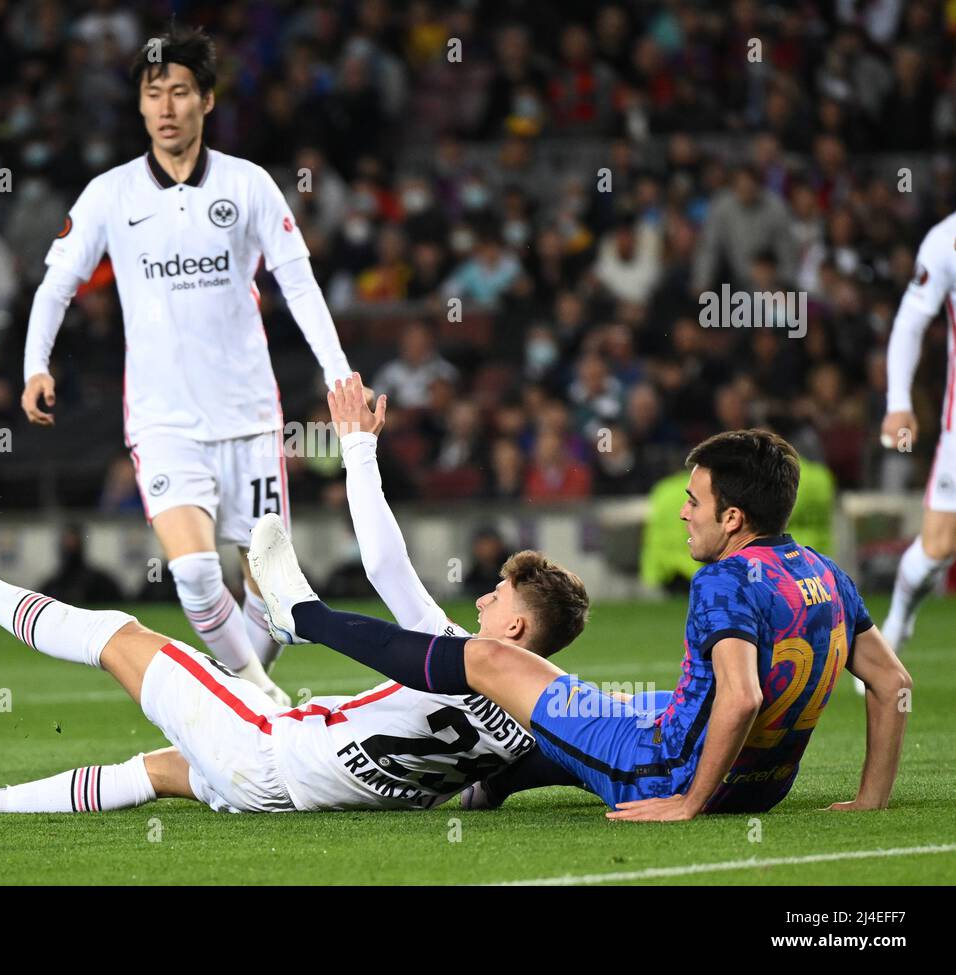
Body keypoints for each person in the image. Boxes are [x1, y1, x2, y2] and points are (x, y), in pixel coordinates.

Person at [252, 430, 912, 820]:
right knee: (615, 706)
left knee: (489, 661)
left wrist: (687, 804)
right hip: (764, 786)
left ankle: (304, 616)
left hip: (670, 775)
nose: (683, 512)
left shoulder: (723, 579)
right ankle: (498, 780)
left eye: (694, 499)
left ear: (733, 517)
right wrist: (870, 800)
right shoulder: (826, 571)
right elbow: (892, 681)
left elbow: (741, 696)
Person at [19, 24, 358, 706]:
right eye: (154, 93)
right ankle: (262, 700)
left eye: (180, 91)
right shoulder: (111, 195)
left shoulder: (249, 184)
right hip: (164, 421)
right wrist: (35, 365)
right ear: (140, 107)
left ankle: (249, 698)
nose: (167, 106)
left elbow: (297, 281)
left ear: (207, 99)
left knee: (275, 601)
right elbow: (56, 283)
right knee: (197, 577)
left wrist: (339, 373)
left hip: (250, 420)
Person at [0, 478, 590, 817]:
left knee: (119, 637)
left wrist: (357, 447)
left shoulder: (458, 652)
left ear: (517, 631)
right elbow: (508, 778)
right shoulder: (528, 727)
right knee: (155, 770)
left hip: (269, 748)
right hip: (297, 792)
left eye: (498, 596)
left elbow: (388, 568)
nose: (481, 601)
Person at [876, 211, 956, 692]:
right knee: (939, 546)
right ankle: (899, 619)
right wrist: (899, 403)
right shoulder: (946, 240)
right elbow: (911, 320)